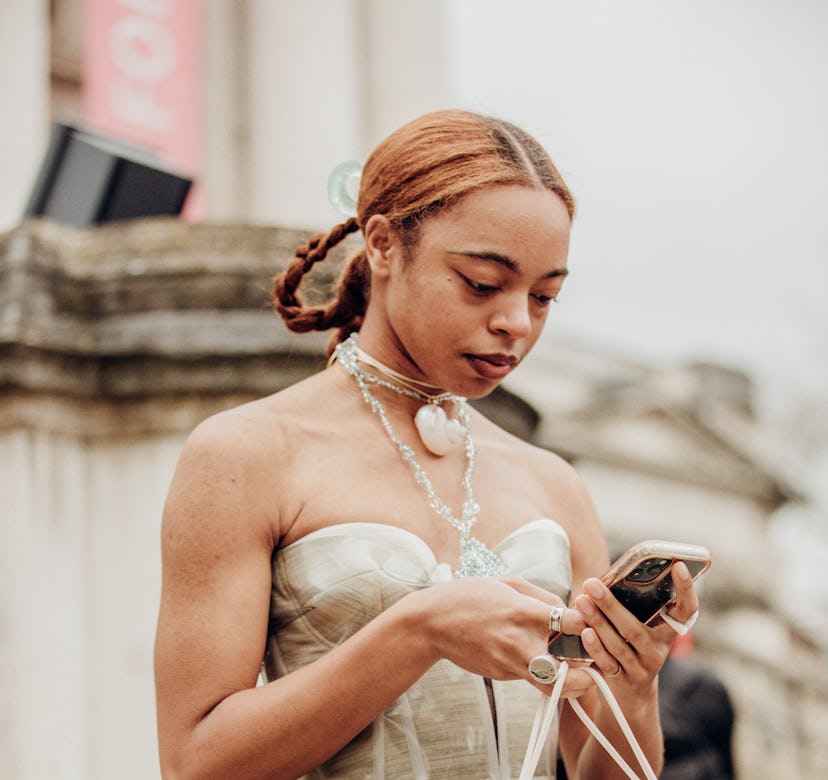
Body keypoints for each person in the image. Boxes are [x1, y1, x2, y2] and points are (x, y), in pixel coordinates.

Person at [153, 109, 701, 779]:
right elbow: (194, 763)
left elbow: (602, 768)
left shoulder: (553, 484)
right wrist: (420, 630)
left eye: (544, 296)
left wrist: (634, 684)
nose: (515, 323)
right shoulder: (248, 453)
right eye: (482, 283)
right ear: (383, 245)